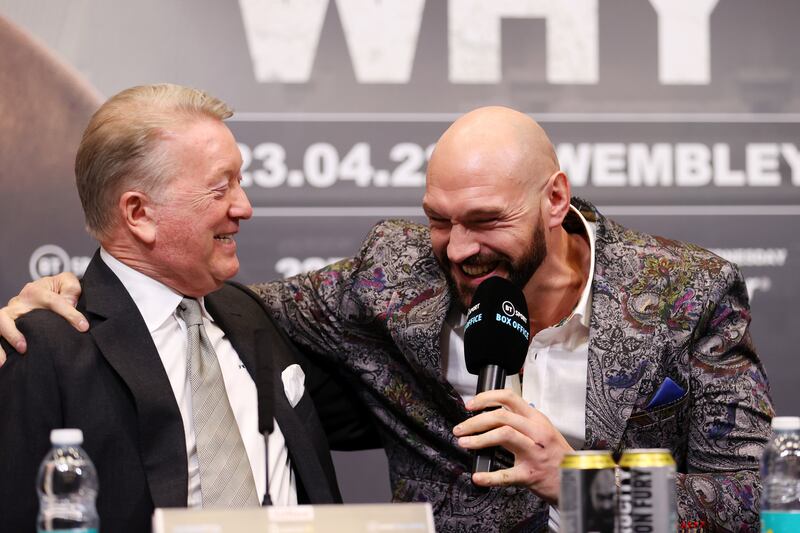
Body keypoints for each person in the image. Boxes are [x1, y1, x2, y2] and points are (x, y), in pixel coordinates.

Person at [1, 106, 773, 532]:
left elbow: (753, 502)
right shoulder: (394, 275)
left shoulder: (685, 293)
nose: (459, 249)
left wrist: (576, 484)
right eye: (439, 219)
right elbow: (202, 309)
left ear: (555, 200)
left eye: (484, 220)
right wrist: (72, 292)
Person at [0, 84, 363, 533]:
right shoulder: (48, 347)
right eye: (219, 188)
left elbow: (382, 415)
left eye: (240, 181)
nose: (244, 207)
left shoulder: (252, 314)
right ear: (139, 213)